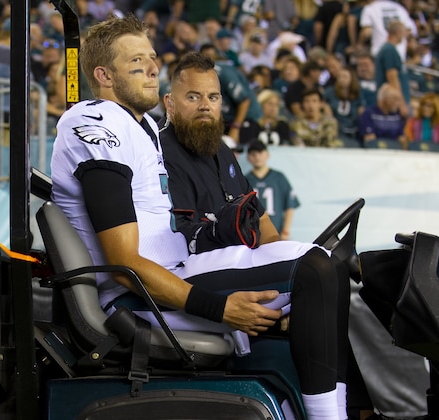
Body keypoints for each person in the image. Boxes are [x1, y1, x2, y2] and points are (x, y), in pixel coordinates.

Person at [49, 16, 360, 419]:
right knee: (314, 271)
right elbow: (125, 264)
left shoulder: (136, 126)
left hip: (174, 271)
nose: (153, 69)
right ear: (104, 75)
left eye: (153, 58)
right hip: (137, 296)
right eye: (137, 61)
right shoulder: (95, 122)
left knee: (327, 269)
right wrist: (219, 308)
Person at [158, 50, 366, 418]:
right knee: (316, 273)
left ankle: (350, 410)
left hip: (239, 267)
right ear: (170, 104)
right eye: (193, 97)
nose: (205, 106)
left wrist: (290, 291)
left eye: (213, 97)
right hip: (189, 275)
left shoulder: (222, 151)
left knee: (330, 271)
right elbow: (183, 242)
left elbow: (265, 229)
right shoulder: (161, 152)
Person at [245, 140, 300, 240]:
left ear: (267, 155)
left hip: (276, 231)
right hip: (253, 234)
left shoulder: (278, 177)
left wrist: (286, 230)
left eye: (260, 153)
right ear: (248, 157)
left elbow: (290, 205)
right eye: (253, 154)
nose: (257, 157)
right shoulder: (245, 180)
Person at [374, 20, 409, 118]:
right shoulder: (389, 50)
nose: (405, 35)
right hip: (393, 102)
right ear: (398, 32)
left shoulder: (388, 49)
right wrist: (401, 103)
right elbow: (392, 77)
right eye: (404, 32)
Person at [359, 83, 406, 148]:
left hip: (394, 153)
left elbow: (401, 138)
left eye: (398, 99)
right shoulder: (369, 113)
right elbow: (369, 139)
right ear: (383, 99)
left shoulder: (396, 115)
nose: (397, 103)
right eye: (394, 99)